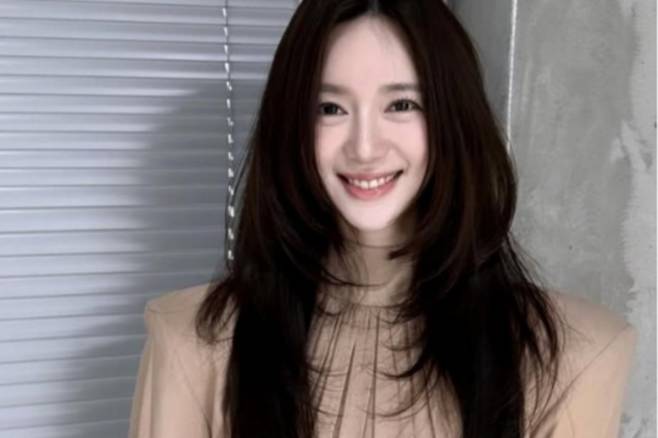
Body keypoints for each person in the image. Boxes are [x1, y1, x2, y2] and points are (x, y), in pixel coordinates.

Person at [128, 1, 638, 437]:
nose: (365, 147)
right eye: (330, 108)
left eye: (401, 103)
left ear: (451, 118)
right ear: (292, 124)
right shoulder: (193, 343)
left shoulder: (573, 356)